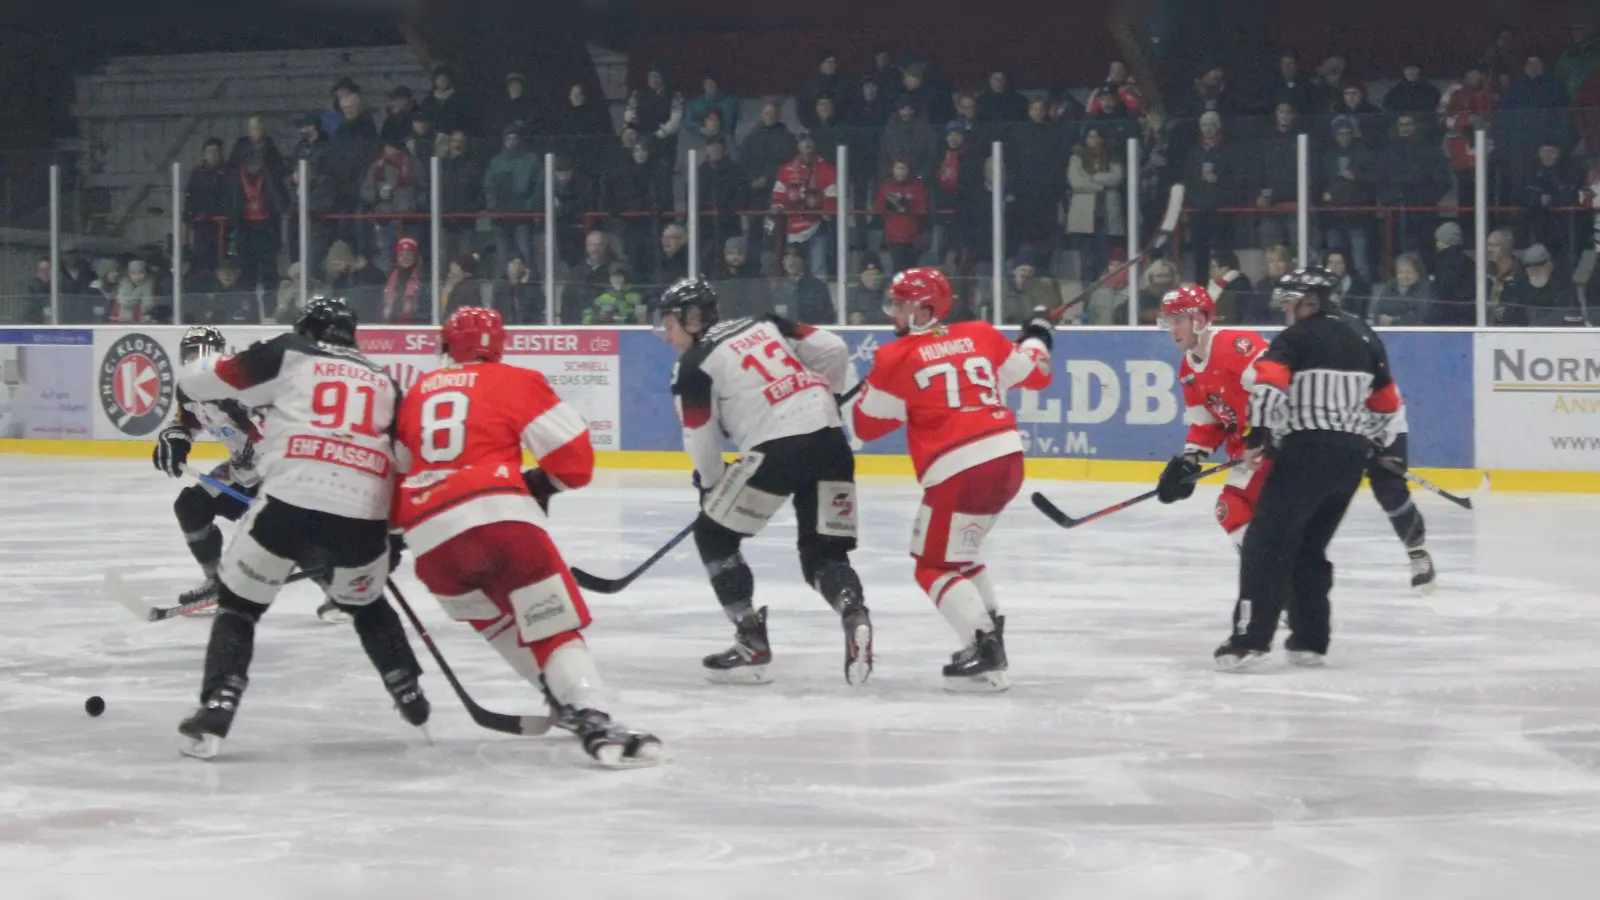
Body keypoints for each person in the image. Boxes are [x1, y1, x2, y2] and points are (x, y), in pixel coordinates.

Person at [392, 307, 662, 768]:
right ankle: (589, 712)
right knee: (550, 627)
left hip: (430, 540)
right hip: (501, 521)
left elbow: (396, 475)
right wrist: (539, 482)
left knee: (497, 622)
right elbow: (575, 462)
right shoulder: (514, 380)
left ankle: (555, 693)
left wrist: (387, 539)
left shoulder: (417, 392)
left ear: (446, 346)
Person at [172, 297, 425, 758]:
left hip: (290, 501)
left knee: (239, 606)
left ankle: (219, 704)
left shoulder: (291, 350)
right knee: (368, 604)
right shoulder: (387, 382)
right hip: (361, 513)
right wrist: (392, 537)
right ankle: (408, 688)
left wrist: (198, 368)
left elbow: (204, 379)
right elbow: (406, 464)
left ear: (306, 328)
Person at [653, 277, 873, 686]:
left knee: (713, 536)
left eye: (668, 323)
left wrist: (710, 487)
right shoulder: (764, 323)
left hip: (778, 448)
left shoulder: (693, 366)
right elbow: (833, 348)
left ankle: (750, 641)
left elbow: (701, 439)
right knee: (824, 555)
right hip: (830, 440)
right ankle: (854, 612)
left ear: (693, 319)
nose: (664, 335)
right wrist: (826, 395)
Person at [851, 268, 1053, 691]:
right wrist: (1036, 336)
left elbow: (865, 426)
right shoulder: (981, 334)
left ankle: (984, 651)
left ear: (925, 311)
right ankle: (990, 640)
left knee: (932, 566)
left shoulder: (895, 357)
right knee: (962, 554)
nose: (892, 313)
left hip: (958, 469)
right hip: (1007, 458)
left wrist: (895, 393)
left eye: (901, 305)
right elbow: (1038, 373)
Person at [1216, 267, 1403, 671]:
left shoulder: (1294, 338)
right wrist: (1370, 443)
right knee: (1308, 549)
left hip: (1304, 454)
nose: (1286, 312)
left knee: (1265, 546)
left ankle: (1250, 641)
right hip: (1349, 461)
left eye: (1289, 304)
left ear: (1309, 303)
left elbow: (1269, 384)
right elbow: (1386, 403)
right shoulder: (1364, 337)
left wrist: (1257, 436)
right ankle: (1310, 641)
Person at [152, 326, 351, 620]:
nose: (194, 360)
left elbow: (276, 431)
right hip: (241, 470)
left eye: (200, 353)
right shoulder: (190, 391)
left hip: (276, 469)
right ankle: (215, 580)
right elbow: (185, 421)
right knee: (191, 506)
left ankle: (338, 592)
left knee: (289, 532)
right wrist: (175, 439)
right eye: (189, 354)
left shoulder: (238, 390)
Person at [1153, 285, 1270, 549]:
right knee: (1240, 513)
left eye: (1178, 320)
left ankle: (1268, 569)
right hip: (1248, 452)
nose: (1173, 329)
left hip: (1274, 445)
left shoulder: (1233, 347)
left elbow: (1279, 386)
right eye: (1169, 321)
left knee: (1232, 507)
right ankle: (1274, 569)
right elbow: (1207, 424)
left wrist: (1265, 434)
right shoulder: (1188, 369)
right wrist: (1189, 462)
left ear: (1200, 319)